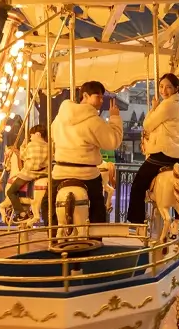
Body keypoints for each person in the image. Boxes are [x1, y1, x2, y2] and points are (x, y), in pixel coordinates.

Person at [48, 80, 123, 225]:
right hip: (86, 174)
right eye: (98, 96)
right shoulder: (93, 120)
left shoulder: (60, 117)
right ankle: (96, 238)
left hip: (61, 171)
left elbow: (53, 135)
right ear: (85, 95)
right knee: (97, 209)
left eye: (102, 97)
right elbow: (112, 141)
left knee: (48, 205)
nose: (101, 100)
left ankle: (51, 233)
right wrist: (115, 118)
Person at [126, 73, 179, 225]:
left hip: (163, 154)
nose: (163, 90)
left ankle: (137, 221)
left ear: (176, 88)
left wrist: (153, 109)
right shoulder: (176, 105)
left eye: (168, 87)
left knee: (138, 184)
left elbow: (147, 125)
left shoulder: (167, 105)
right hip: (177, 156)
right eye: (161, 86)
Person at [6, 124, 48, 221]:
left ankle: (21, 213)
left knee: (10, 191)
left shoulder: (31, 145)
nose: (30, 137)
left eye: (31, 135)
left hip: (29, 173)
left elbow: (22, 157)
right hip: (44, 174)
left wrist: (22, 146)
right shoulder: (48, 146)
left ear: (37, 134)